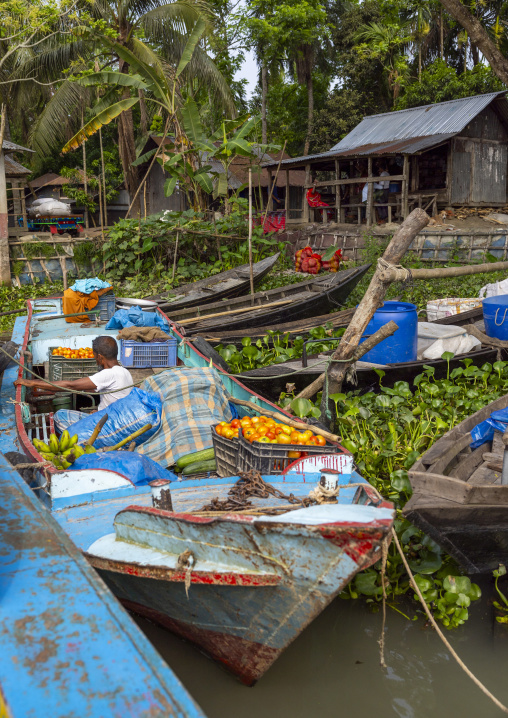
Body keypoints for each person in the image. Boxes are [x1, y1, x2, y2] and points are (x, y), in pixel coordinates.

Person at [15, 336, 133, 433]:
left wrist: (31, 382)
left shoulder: (108, 374)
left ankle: (81, 442)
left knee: (59, 416)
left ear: (100, 357)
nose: (95, 360)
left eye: (95, 357)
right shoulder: (125, 372)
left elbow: (70, 385)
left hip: (109, 426)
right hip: (115, 419)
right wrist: (99, 409)